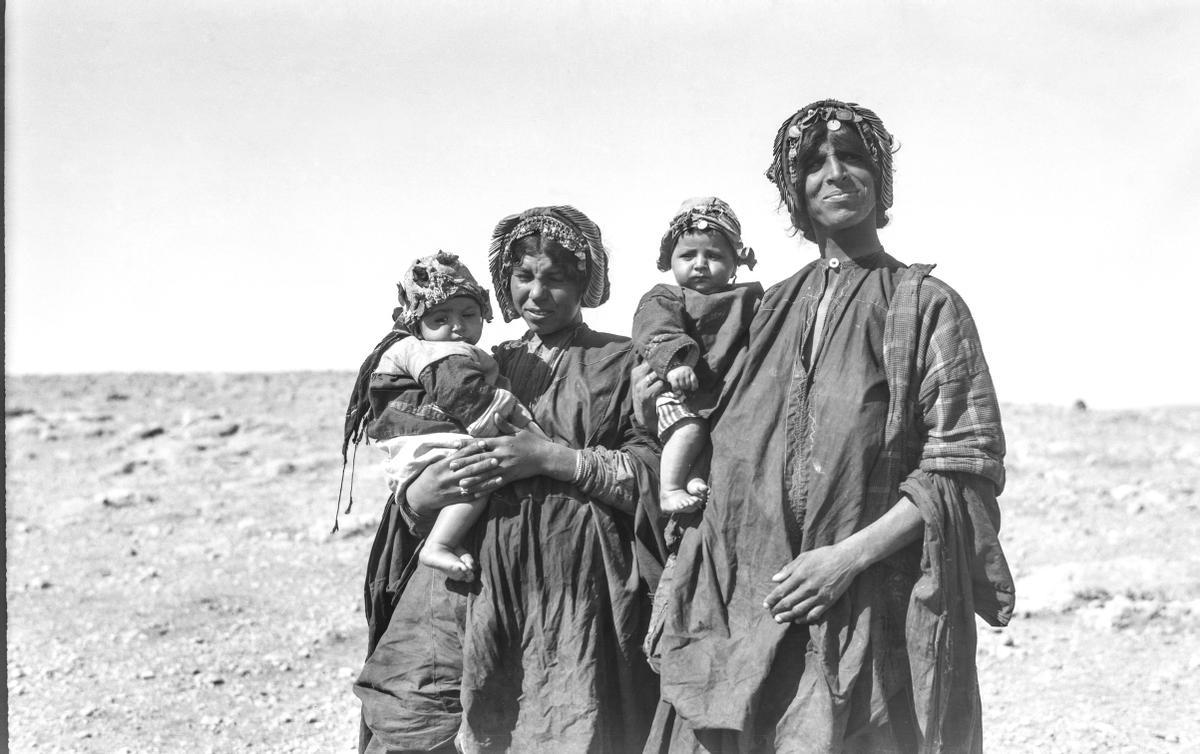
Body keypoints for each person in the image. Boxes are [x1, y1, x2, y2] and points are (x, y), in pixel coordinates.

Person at [647, 100, 1015, 753]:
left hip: (867, 611)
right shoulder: (765, 308)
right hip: (753, 604)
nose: (836, 174)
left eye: (853, 159)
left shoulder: (927, 307)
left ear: (880, 180)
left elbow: (961, 472)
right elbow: (709, 417)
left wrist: (844, 560)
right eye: (815, 164)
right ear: (794, 191)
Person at [351, 206, 666, 754]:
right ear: (505, 280)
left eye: (556, 278)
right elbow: (414, 454)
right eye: (524, 277)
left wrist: (549, 458)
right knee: (416, 711)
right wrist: (423, 493)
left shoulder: (620, 361)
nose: (537, 294)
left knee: (562, 720)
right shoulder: (473, 363)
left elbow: (650, 474)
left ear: (586, 283)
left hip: (572, 584)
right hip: (468, 578)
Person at [367, 251, 536, 581]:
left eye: (468, 313)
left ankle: (447, 540)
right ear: (417, 322)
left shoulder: (438, 348)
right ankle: (439, 544)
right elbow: (470, 399)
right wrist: (534, 438)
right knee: (476, 478)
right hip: (428, 443)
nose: (457, 327)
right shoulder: (438, 354)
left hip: (418, 450)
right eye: (440, 319)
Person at [632, 196, 762, 514]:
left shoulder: (746, 299)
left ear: (734, 264)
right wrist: (675, 364)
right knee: (690, 428)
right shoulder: (666, 297)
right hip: (677, 390)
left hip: (716, 395)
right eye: (688, 255)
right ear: (671, 259)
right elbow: (657, 331)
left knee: (715, 431)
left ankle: (693, 477)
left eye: (713, 255)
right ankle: (671, 487)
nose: (700, 264)